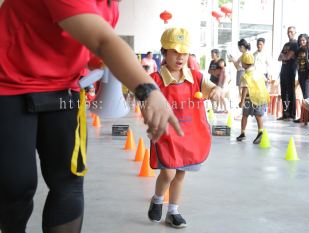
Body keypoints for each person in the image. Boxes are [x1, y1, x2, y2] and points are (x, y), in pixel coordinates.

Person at [0, 1, 183, 233]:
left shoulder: (111, 4)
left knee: (68, 181)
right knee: (16, 186)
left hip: (65, 89)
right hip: (9, 85)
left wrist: (94, 60)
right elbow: (101, 40)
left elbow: (86, 42)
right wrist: (148, 90)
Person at [147, 28, 222, 228]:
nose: (181, 57)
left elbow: (211, 87)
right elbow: (145, 101)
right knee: (169, 172)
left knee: (180, 173)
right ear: (164, 52)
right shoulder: (155, 79)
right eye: (175, 52)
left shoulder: (196, 77)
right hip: (166, 132)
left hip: (189, 133)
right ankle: (157, 199)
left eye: (185, 53)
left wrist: (216, 90)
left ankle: (173, 211)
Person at [236, 53, 270, 144]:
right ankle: (260, 132)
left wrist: (242, 101)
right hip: (261, 97)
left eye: (242, 62)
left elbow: (245, 89)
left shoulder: (246, 76)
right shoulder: (258, 72)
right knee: (258, 116)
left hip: (250, 98)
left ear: (244, 64)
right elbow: (266, 81)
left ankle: (243, 133)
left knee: (245, 115)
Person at [294, 33, 309, 123]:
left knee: (306, 97)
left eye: (303, 40)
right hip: (300, 75)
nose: (302, 41)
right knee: (303, 96)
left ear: (307, 40)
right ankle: (303, 117)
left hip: (307, 75)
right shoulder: (298, 50)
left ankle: (306, 117)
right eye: (300, 40)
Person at [277, 26, 298, 121]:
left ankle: (291, 115)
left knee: (290, 93)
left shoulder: (295, 44)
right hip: (283, 70)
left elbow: (287, 57)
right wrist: (285, 56)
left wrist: (285, 56)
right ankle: (285, 113)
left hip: (291, 70)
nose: (290, 33)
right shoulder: (286, 44)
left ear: (295, 32)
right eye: (288, 32)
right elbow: (279, 58)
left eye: (292, 32)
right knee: (283, 93)